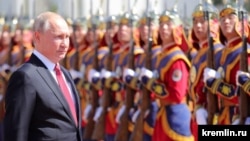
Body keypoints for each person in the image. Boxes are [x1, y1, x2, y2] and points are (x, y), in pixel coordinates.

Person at [3, 11, 82, 141]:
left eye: (67, 37)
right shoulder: (26, 76)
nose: (65, 43)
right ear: (37, 37)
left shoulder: (65, 74)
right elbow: (16, 131)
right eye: (58, 37)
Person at [139, 8, 194, 141]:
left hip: (175, 116)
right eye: (161, 24)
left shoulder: (177, 59)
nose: (164, 28)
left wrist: (151, 83)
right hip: (163, 113)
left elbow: (177, 94)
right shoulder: (162, 55)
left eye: (168, 24)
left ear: (177, 28)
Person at [203, 1, 250, 125]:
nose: (226, 21)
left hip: (238, 115)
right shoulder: (220, 54)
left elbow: (239, 92)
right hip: (222, 116)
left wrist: (216, 84)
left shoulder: (246, 52)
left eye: (231, 17)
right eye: (222, 19)